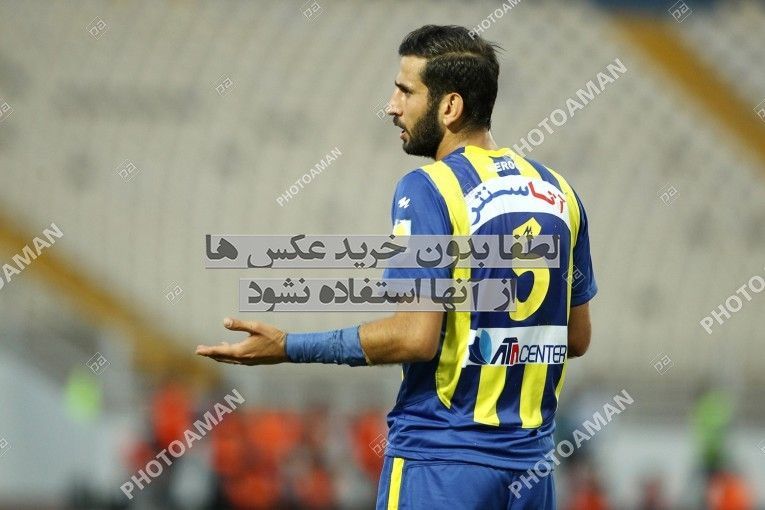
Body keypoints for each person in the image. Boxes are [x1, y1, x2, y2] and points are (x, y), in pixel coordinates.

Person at [196, 24, 597, 510]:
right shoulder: (560, 193)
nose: (391, 106)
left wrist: (288, 347)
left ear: (450, 107)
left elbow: (415, 337)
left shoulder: (429, 188)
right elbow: (576, 338)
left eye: (406, 91)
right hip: (532, 471)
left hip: (442, 463)